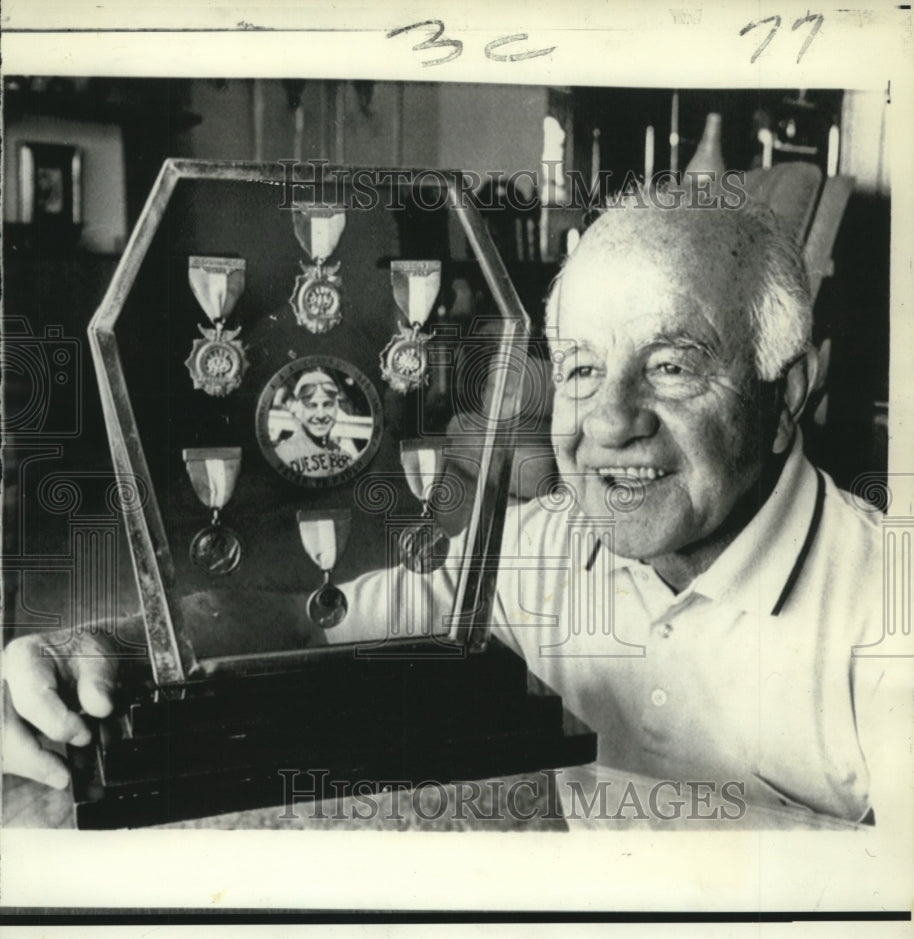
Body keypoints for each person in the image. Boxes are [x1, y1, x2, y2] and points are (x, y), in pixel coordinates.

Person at [1, 200, 899, 826]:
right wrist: (114, 643)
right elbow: (309, 625)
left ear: (790, 395)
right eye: (581, 368)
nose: (608, 424)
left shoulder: (890, 615)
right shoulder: (538, 549)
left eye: (671, 364)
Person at [272, 368, 360, 477]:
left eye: (327, 404)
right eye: (312, 405)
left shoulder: (345, 457)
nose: (321, 415)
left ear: (337, 408)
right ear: (298, 409)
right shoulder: (283, 456)